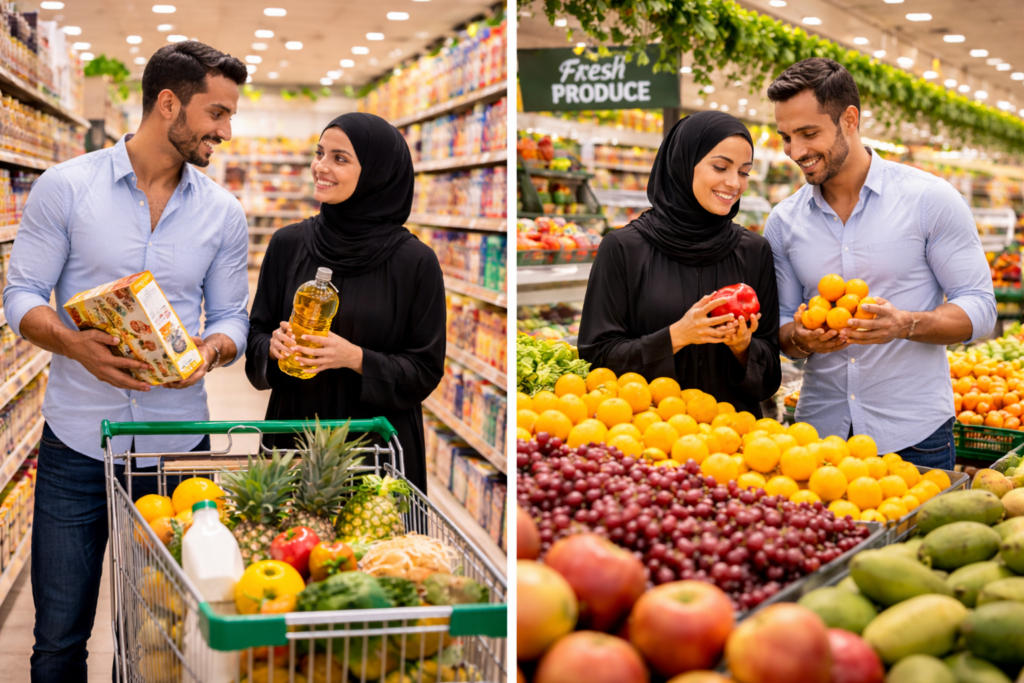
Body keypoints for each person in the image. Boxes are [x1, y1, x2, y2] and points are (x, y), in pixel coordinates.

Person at [2, 41, 250, 682]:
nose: (226, 131)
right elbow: (21, 295)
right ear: (169, 103)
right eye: (216, 113)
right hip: (78, 445)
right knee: (58, 635)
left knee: (159, 634)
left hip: (177, 452)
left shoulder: (223, 213)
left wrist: (211, 349)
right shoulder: (67, 188)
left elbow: (231, 320)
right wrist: (72, 343)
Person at [764, 57, 996, 469]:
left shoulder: (930, 200)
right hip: (819, 436)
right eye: (785, 137)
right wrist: (800, 338)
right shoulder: (784, 221)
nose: (796, 152)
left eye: (808, 133)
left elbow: (979, 306)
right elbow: (779, 324)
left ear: (849, 119)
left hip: (914, 433)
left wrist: (905, 324)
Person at [245, 113, 446, 494]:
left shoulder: (415, 262)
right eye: (320, 153)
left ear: (377, 172)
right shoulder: (288, 244)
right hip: (294, 438)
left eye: (340, 158)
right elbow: (256, 332)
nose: (320, 167)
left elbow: (425, 369)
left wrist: (354, 357)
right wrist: (271, 347)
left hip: (376, 451)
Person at [578, 110, 782, 416]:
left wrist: (743, 348)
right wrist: (677, 336)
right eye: (720, 167)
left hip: (735, 443)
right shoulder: (623, 249)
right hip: (645, 440)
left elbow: (769, 378)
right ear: (682, 164)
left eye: (743, 172)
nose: (734, 183)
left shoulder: (754, 251)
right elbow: (596, 359)